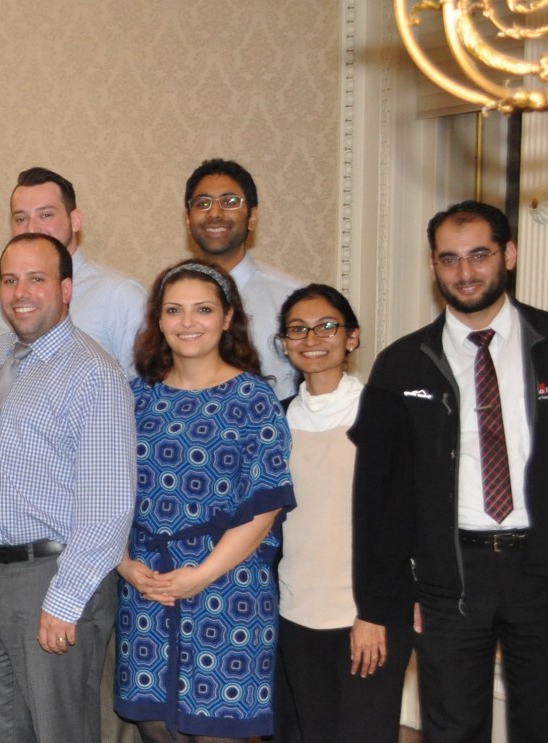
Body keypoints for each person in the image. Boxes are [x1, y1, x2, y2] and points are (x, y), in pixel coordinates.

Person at [354, 201, 548, 742]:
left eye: (479, 255)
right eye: (449, 259)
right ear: (433, 267)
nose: (465, 271)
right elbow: (378, 496)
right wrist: (385, 595)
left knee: (545, 729)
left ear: (510, 255)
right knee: (451, 730)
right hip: (448, 579)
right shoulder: (401, 364)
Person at [0, 233, 134, 742]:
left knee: (61, 732)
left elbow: (108, 506)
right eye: (10, 280)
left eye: (37, 279)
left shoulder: (94, 373)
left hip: (51, 577)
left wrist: (66, 599)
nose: (20, 292)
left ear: (67, 288)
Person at [115, 259, 294, 743]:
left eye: (202, 310)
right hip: (147, 583)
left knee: (216, 731)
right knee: (153, 725)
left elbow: (265, 504)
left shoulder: (255, 398)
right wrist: (125, 564)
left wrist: (201, 575)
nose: (187, 323)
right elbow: (105, 493)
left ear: (227, 317)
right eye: (173, 310)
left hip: (228, 591)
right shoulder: (134, 398)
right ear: (158, 320)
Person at [270, 284, 407, 743]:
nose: (312, 339)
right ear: (285, 343)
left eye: (327, 326)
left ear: (352, 337)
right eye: (297, 329)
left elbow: (398, 522)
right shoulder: (276, 420)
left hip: (362, 615)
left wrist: (375, 613)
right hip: (293, 611)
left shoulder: (385, 412)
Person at [4, 167, 146, 376]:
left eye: (46, 215)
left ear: (75, 220)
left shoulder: (120, 296)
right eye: (21, 219)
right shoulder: (9, 302)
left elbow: (144, 392)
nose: (32, 228)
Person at [181, 158, 304, 398]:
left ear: (253, 216)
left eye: (230, 202)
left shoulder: (292, 300)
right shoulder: (169, 304)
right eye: (202, 203)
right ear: (188, 219)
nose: (215, 213)